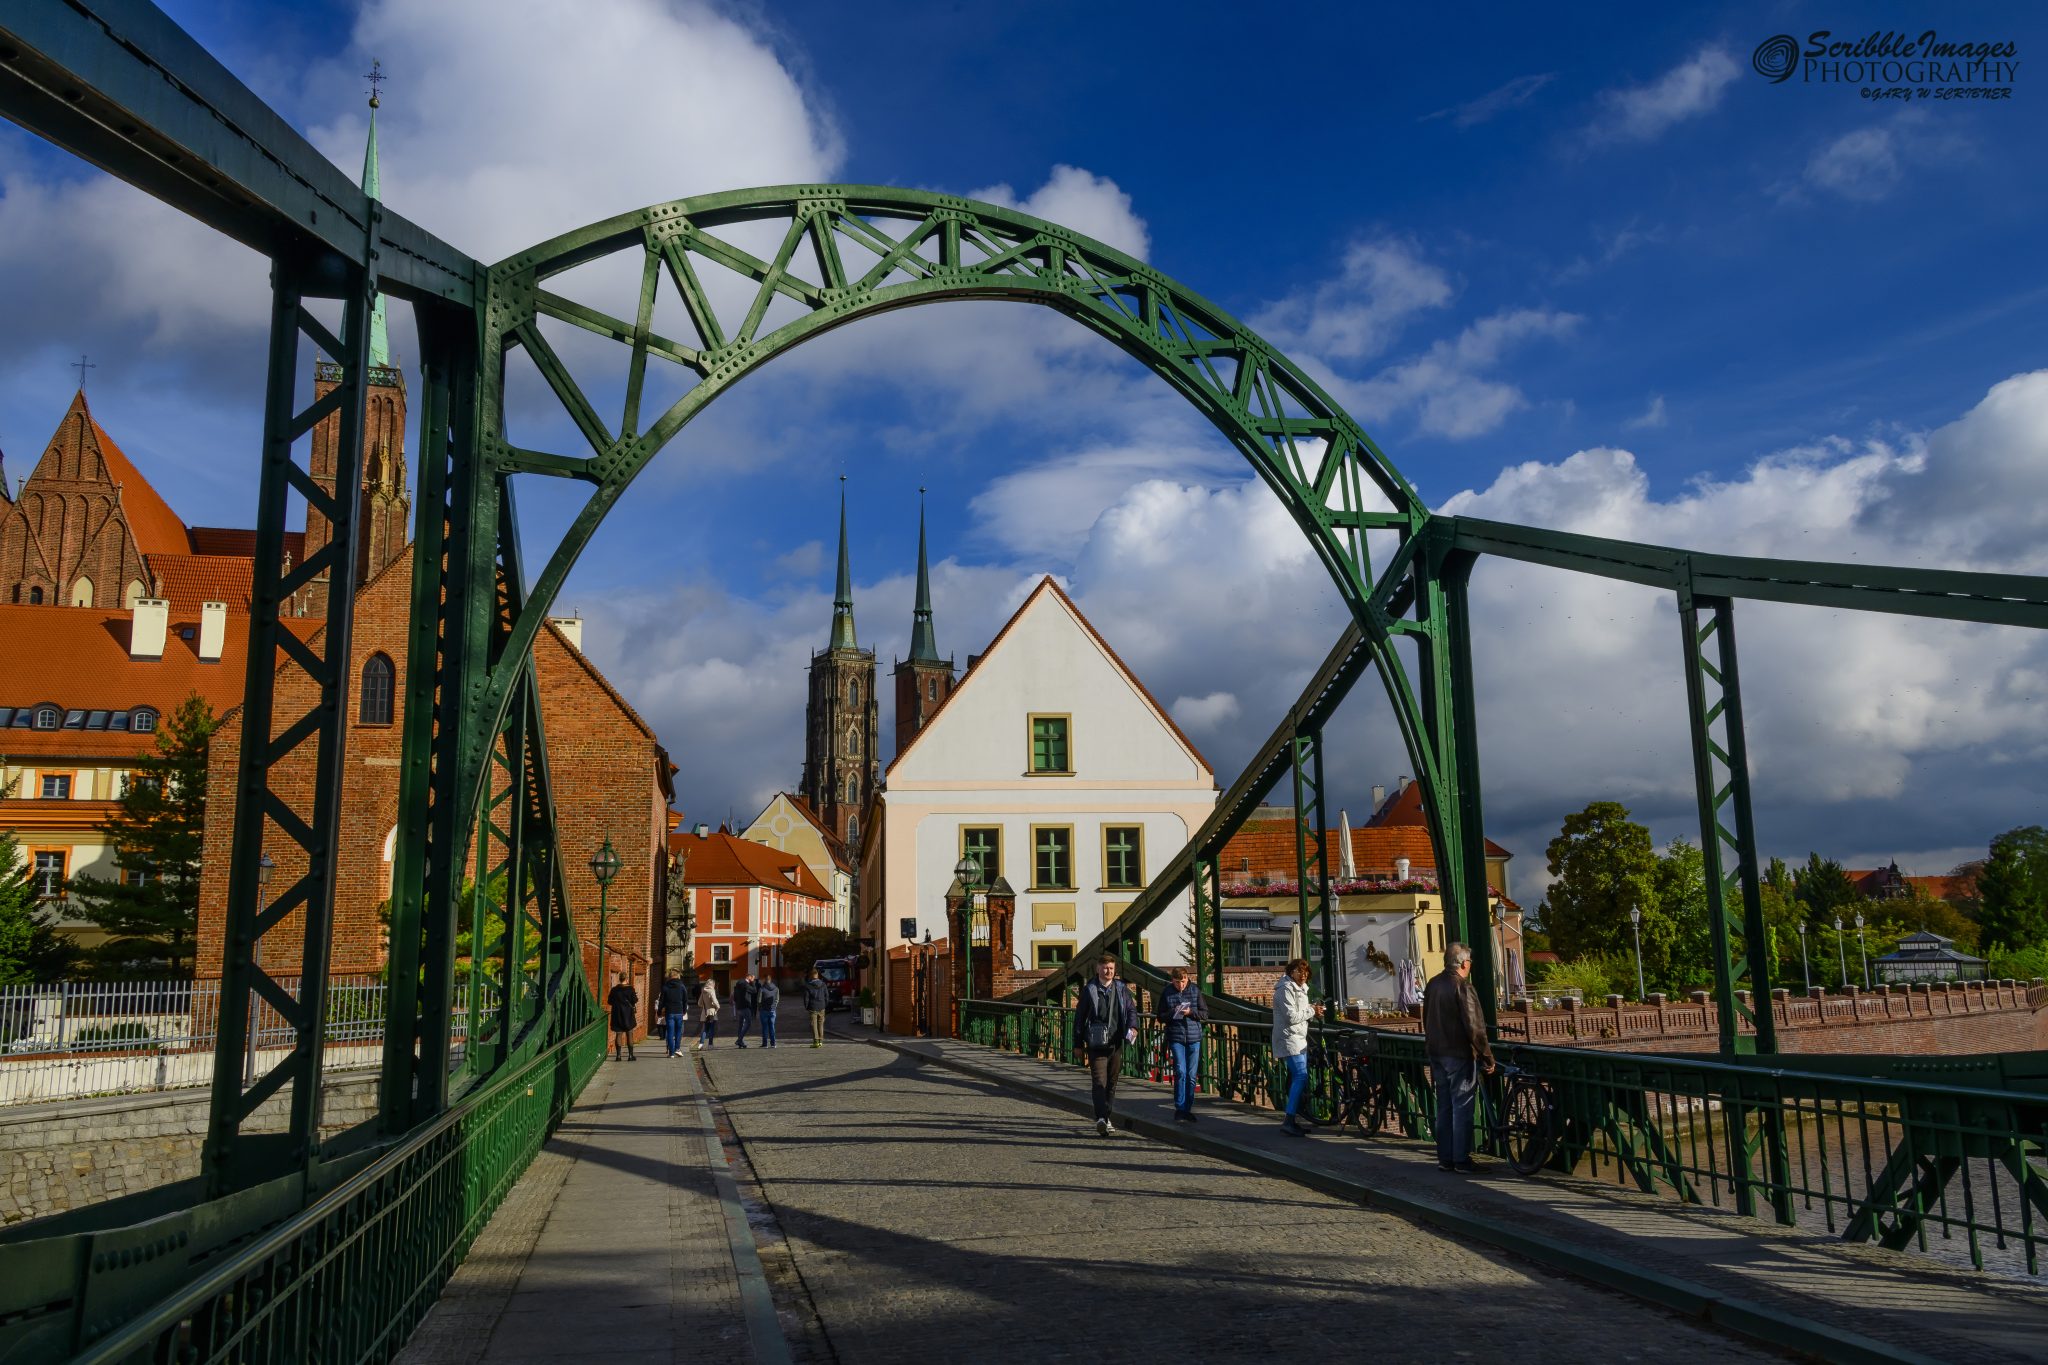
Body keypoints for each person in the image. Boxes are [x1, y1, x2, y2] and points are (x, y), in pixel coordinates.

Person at [1422, 942, 1496, 1173]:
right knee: (1462, 1107)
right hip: (1458, 1054)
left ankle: (1446, 1159)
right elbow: (1475, 1027)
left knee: (1444, 1107)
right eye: (1470, 962)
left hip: (1437, 1053)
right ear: (1464, 963)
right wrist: (1487, 1057)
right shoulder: (1463, 987)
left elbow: (1426, 1019)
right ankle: (1461, 1160)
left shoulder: (1433, 984)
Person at [1071, 954, 1138, 1136]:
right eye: (1105, 968)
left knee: (1112, 1083)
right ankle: (1101, 1117)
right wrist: (1077, 1043)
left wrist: (1133, 1027)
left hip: (1116, 1044)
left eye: (1111, 968)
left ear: (1114, 970)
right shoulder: (1090, 989)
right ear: (1097, 969)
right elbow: (1080, 1017)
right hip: (1096, 1044)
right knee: (1099, 1081)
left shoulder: (1121, 988)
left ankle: (1106, 1118)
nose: (1108, 971)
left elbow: (1131, 1010)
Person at [1272, 958, 1321, 1136]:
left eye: (1306, 972)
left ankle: (1293, 1118)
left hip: (1299, 1039)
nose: (1303, 975)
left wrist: (1313, 1011)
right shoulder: (1284, 990)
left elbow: (1301, 1010)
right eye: (1299, 972)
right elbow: (1291, 1017)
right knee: (1300, 1075)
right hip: (1289, 1039)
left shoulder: (1301, 990)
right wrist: (1311, 1011)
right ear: (1291, 972)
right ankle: (1289, 1120)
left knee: (1298, 1077)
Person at [1155, 965, 1209, 1122]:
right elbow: (1160, 1016)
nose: (1181, 985)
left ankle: (1187, 1108)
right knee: (1181, 1072)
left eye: (1183, 981)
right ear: (1173, 980)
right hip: (1176, 1037)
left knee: (1192, 1075)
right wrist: (1173, 1012)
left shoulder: (1195, 991)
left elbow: (1205, 1013)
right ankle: (1179, 1108)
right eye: (1178, 982)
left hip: (1194, 1038)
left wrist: (1191, 1013)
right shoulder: (1167, 992)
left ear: (1187, 979)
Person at [656, 970, 691, 1059]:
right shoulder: (682, 986)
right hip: (679, 1012)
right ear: (678, 976)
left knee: (670, 1032)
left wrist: (659, 1012)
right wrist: (684, 1010)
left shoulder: (665, 987)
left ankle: (671, 1053)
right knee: (678, 1032)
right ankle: (677, 1049)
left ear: (669, 977)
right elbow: (685, 1000)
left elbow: (661, 1001)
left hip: (669, 1012)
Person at [606, 971, 639, 1062]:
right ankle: (630, 1055)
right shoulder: (630, 989)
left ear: (619, 979)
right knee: (629, 1033)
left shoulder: (614, 990)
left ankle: (618, 1056)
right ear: (626, 979)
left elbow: (609, 1002)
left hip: (617, 1014)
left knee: (618, 1034)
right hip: (628, 1014)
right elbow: (635, 1000)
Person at [802, 965, 831, 1047]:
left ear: (811, 976)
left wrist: (807, 1007)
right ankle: (821, 1041)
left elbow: (806, 998)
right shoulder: (823, 985)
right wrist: (825, 1004)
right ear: (817, 975)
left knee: (813, 1025)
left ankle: (816, 1041)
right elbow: (827, 996)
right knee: (821, 1024)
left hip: (812, 1007)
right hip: (822, 1006)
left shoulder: (808, 986)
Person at [732, 971, 758, 1048]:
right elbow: (754, 990)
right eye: (752, 977)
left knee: (741, 1025)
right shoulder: (745, 984)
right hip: (745, 1007)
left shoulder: (738, 983)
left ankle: (741, 1042)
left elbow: (735, 996)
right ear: (749, 977)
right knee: (748, 1023)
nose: (753, 979)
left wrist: (737, 1004)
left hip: (739, 1007)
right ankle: (739, 1040)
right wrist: (753, 982)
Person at [695, 972, 721, 1050]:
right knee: (712, 1029)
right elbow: (715, 1000)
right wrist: (718, 1006)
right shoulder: (712, 991)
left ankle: (701, 1044)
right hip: (712, 1012)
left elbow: (699, 1003)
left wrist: (705, 1005)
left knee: (705, 1029)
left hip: (705, 1011)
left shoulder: (703, 991)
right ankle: (710, 1044)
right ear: (712, 984)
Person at [757, 973, 782, 1048]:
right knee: (772, 1027)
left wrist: (759, 1008)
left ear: (765, 980)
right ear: (770, 980)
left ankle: (765, 1044)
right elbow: (777, 999)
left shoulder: (762, 989)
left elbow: (759, 1000)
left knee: (765, 1027)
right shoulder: (776, 988)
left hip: (764, 1010)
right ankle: (773, 1044)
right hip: (772, 1010)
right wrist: (774, 1006)